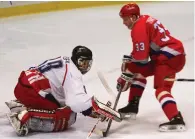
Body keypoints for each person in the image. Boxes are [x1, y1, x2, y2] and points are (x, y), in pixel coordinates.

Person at [5, 45, 122, 136]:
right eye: (83, 63)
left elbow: (78, 94)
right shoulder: (73, 72)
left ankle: (19, 105)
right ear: (77, 61)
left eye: (87, 63)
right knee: (67, 117)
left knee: (57, 102)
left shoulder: (65, 62)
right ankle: (24, 118)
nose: (85, 67)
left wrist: (91, 111)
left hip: (24, 86)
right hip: (31, 90)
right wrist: (96, 108)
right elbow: (76, 102)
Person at [116, 3, 186, 132]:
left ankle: (176, 118)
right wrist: (132, 65)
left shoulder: (138, 28)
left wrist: (126, 73)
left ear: (132, 17)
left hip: (168, 58)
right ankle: (132, 106)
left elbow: (142, 58)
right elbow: (142, 52)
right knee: (139, 74)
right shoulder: (145, 19)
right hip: (170, 54)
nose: (124, 23)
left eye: (125, 19)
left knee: (162, 89)